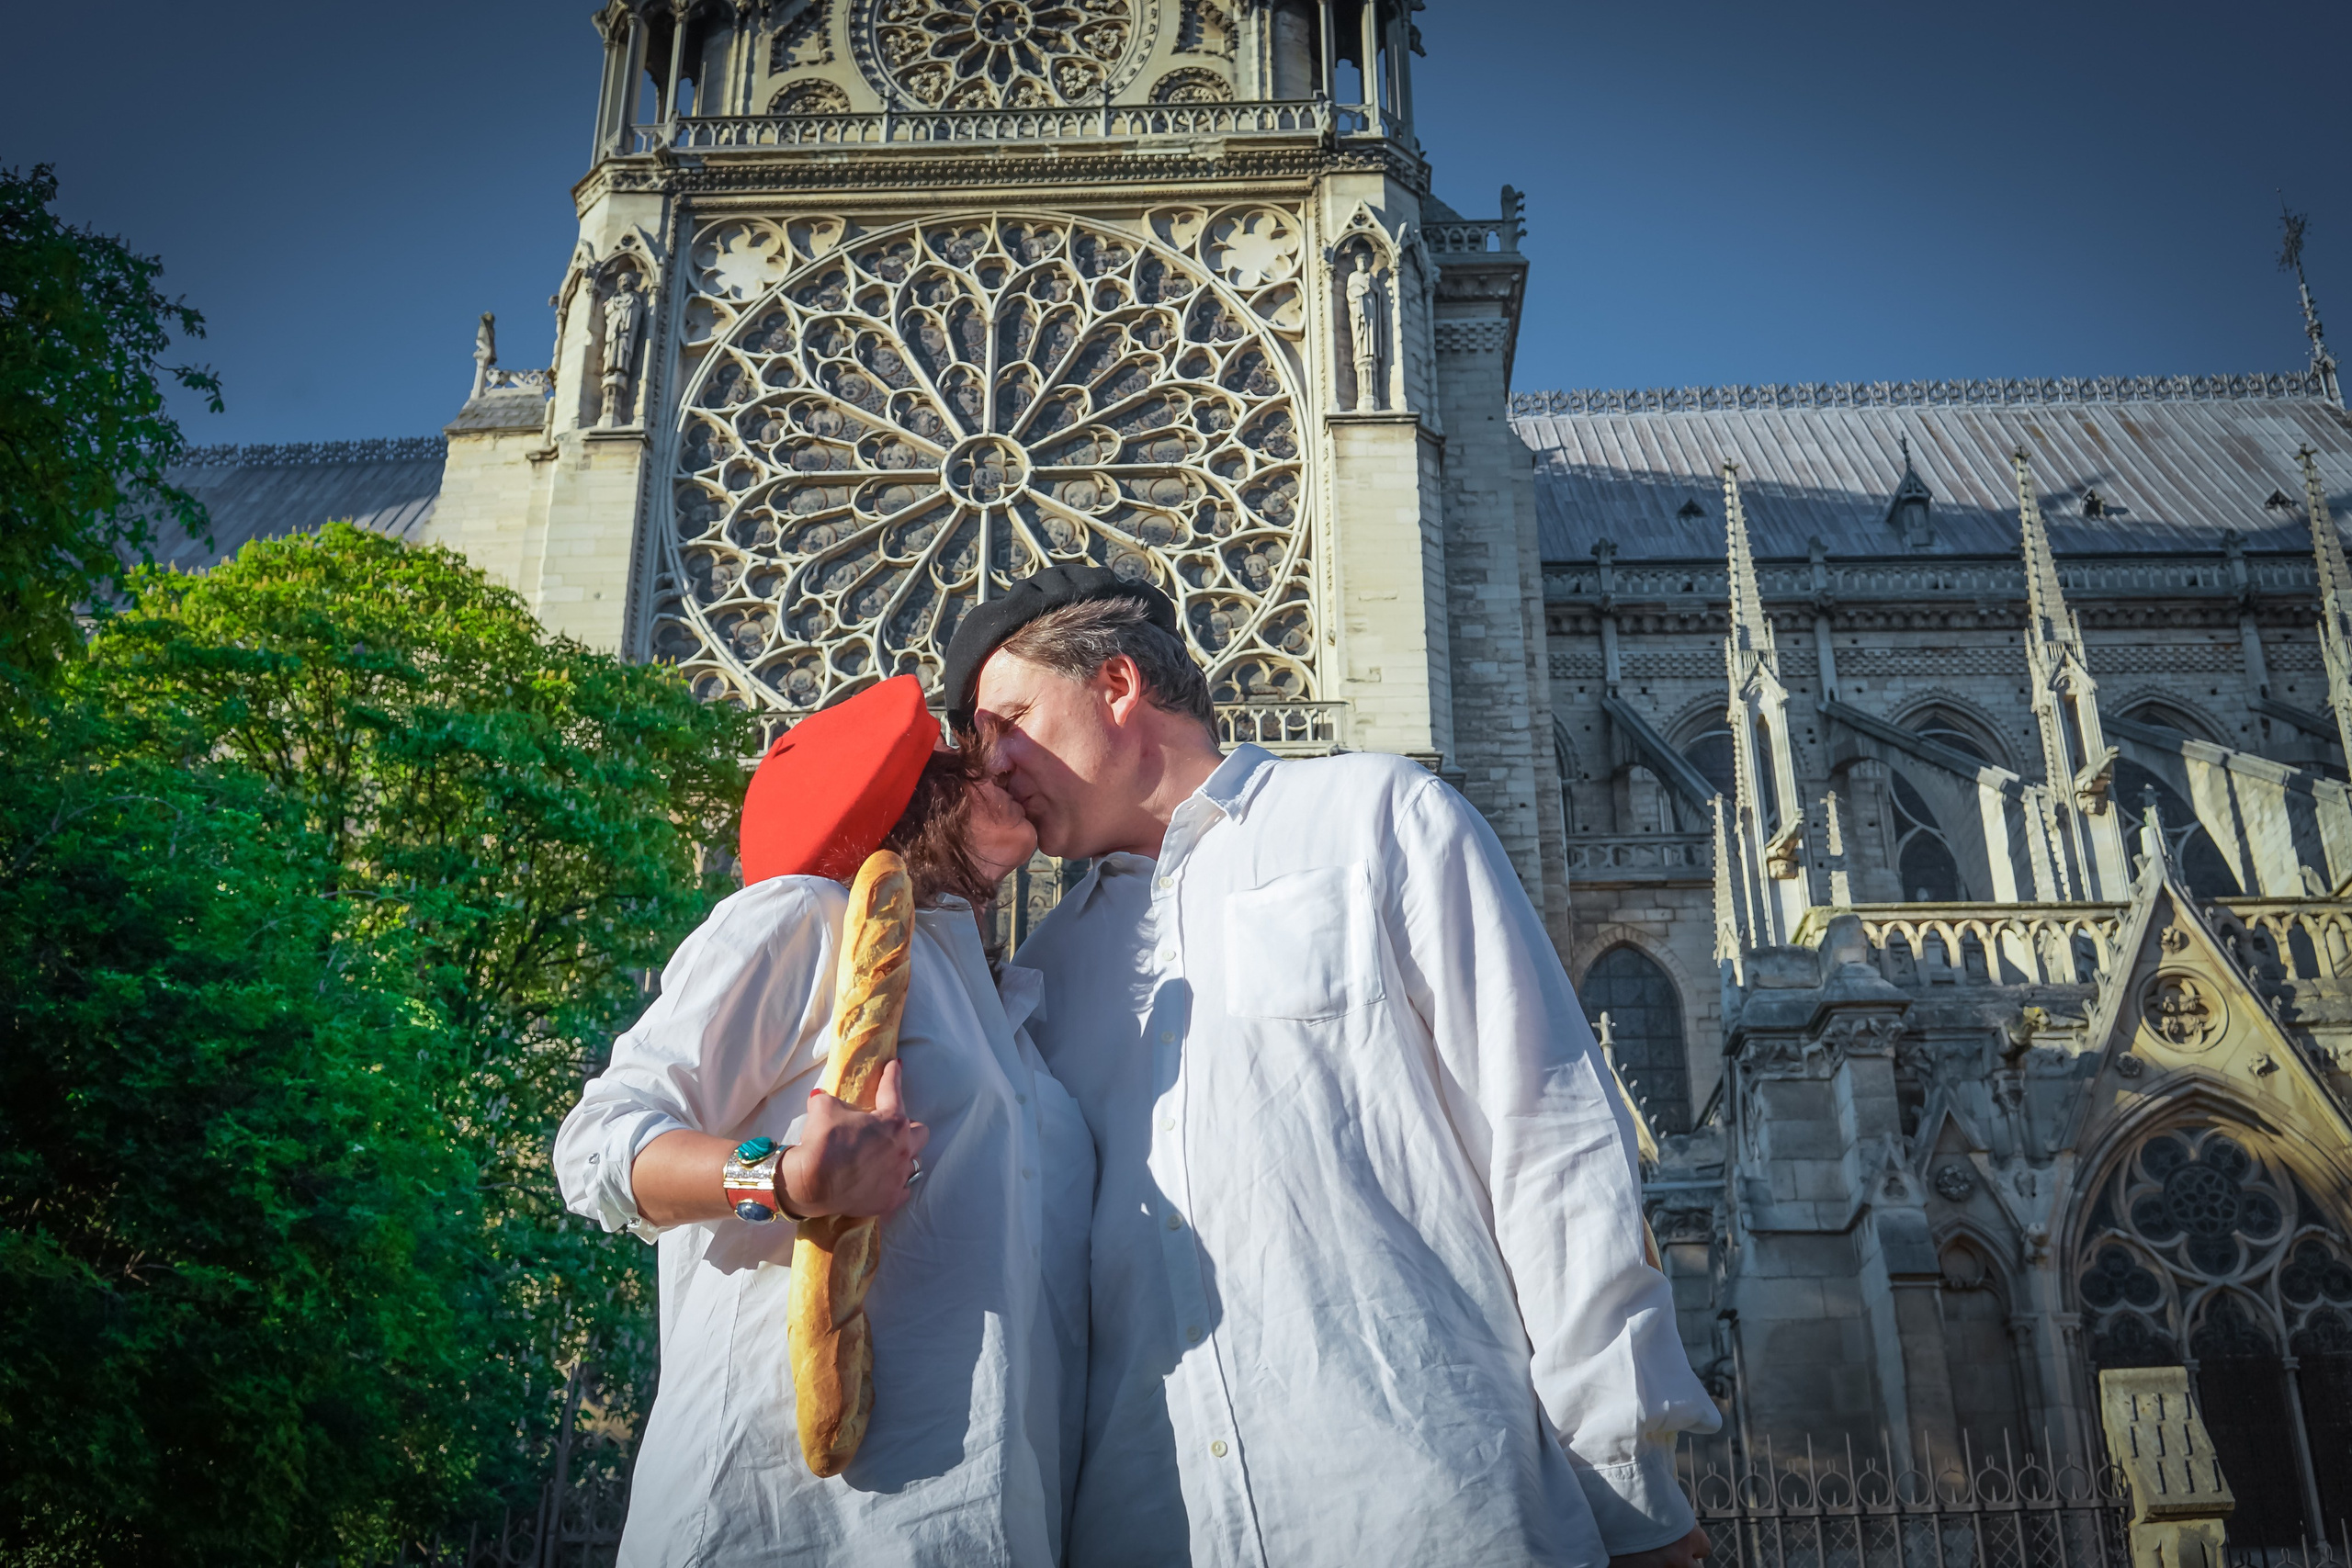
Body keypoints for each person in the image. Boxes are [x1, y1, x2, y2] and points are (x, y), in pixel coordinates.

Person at [939, 567, 1721, 1568]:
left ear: (1118, 684)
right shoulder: (1044, 971)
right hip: (1151, 1532)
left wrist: (1626, 1478)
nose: (988, 763)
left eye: (1007, 721)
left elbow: (1549, 1141)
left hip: (1430, 1510)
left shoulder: (1373, 814)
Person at [553, 675, 1093, 1567]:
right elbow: (597, 1144)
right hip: (780, 1522)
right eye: (956, 757)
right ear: (904, 797)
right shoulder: (808, 920)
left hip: (982, 1527)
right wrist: (783, 1177)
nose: (994, 762)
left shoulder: (1012, 1023)